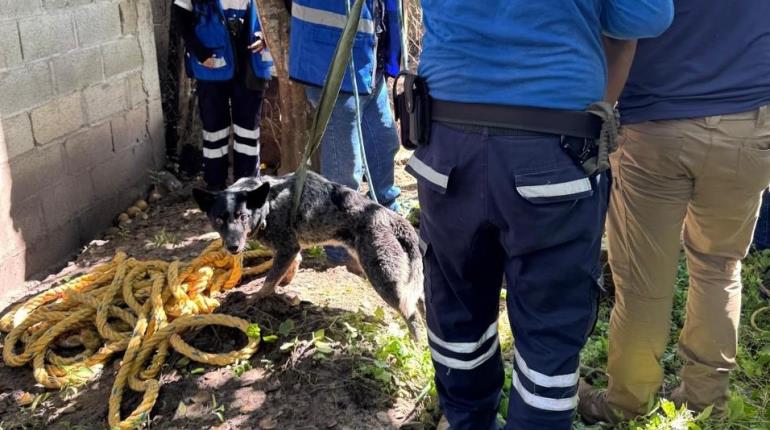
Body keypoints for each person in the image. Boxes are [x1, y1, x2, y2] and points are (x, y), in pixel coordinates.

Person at [408, 2, 673, 429]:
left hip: (447, 141)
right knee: (549, 334)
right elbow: (646, 16)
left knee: (457, 309)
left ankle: (467, 421)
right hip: (554, 148)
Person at [579, 1, 770, 424]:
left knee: (643, 283)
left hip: (657, 126)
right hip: (751, 121)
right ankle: (706, 401)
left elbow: (616, 27)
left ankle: (628, 403)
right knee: (720, 267)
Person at [288, 0, 403, 266]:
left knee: (384, 142)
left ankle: (388, 228)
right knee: (345, 168)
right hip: (331, 58)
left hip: (369, 57)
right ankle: (342, 251)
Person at [173, 0, 273, 191]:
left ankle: (247, 185)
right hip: (212, 59)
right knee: (214, 126)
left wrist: (266, 37)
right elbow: (181, 15)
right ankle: (215, 184)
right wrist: (200, 52)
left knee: (248, 128)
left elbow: (278, 12)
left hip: (250, 59)